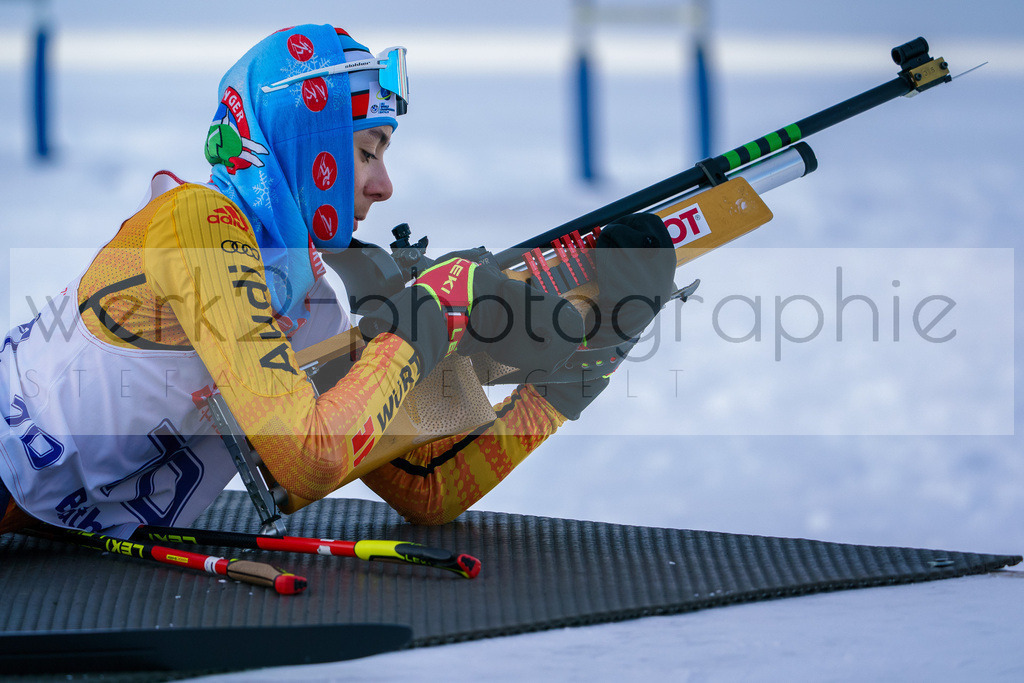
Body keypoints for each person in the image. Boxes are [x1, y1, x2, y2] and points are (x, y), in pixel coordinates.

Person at [0, 24, 674, 538]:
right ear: (306, 142)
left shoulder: (312, 305)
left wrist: (593, 351)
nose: (384, 185)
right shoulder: (194, 224)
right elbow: (308, 459)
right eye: (364, 152)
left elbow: (427, 484)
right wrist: (427, 318)